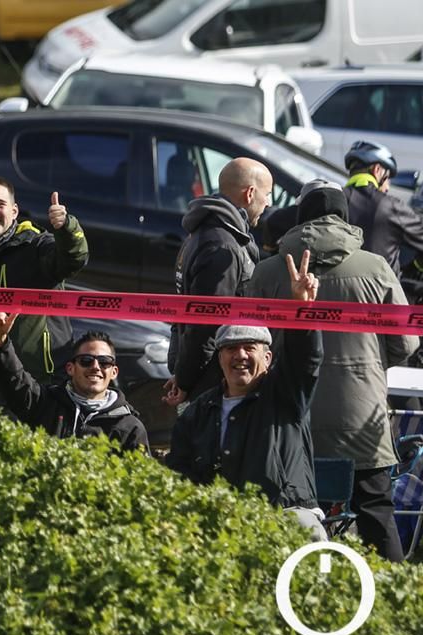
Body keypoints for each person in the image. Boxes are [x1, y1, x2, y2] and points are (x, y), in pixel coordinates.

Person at [249, 180, 418, 561]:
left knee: (286, 516)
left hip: (289, 423)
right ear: (344, 215)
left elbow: (249, 342)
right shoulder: (375, 268)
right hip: (362, 424)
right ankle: (391, 604)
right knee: (376, 513)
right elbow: (407, 343)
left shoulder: (268, 272)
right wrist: (370, 364)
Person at [166, 252, 325, 540]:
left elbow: (306, 359)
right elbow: (180, 473)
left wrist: (303, 308)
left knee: (306, 530)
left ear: (267, 357)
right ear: (219, 359)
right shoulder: (198, 412)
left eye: (249, 347)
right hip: (221, 522)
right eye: (230, 348)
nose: (240, 355)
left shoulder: (285, 394)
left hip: (284, 514)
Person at [0, 176, 88, 406]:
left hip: (41, 383)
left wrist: (67, 228)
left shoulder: (36, 246)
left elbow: (72, 260)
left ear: (14, 210)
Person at [165, 157, 270, 407]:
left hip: (202, 376)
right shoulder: (222, 246)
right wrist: (186, 380)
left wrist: (182, 373)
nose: (268, 203)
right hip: (212, 383)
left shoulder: (203, 234)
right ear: (250, 193)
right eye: (267, 195)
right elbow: (206, 324)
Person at [0, 316, 148, 452]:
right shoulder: (46, 403)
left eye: (104, 362)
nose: (95, 367)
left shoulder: (130, 427)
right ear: (70, 368)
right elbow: (14, 380)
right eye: (86, 361)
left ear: (114, 372)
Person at [342, 140, 423, 278]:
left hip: (331, 296)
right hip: (381, 296)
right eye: (388, 178)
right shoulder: (390, 206)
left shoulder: (331, 201)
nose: (388, 187)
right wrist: (412, 269)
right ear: (377, 170)